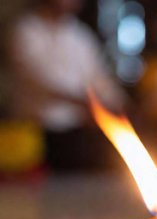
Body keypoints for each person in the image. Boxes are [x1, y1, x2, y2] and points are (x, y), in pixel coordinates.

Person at [7, 0, 127, 171]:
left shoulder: (81, 35)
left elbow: (98, 77)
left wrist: (118, 101)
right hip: (36, 131)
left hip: (75, 131)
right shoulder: (26, 30)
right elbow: (39, 78)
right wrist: (86, 102)